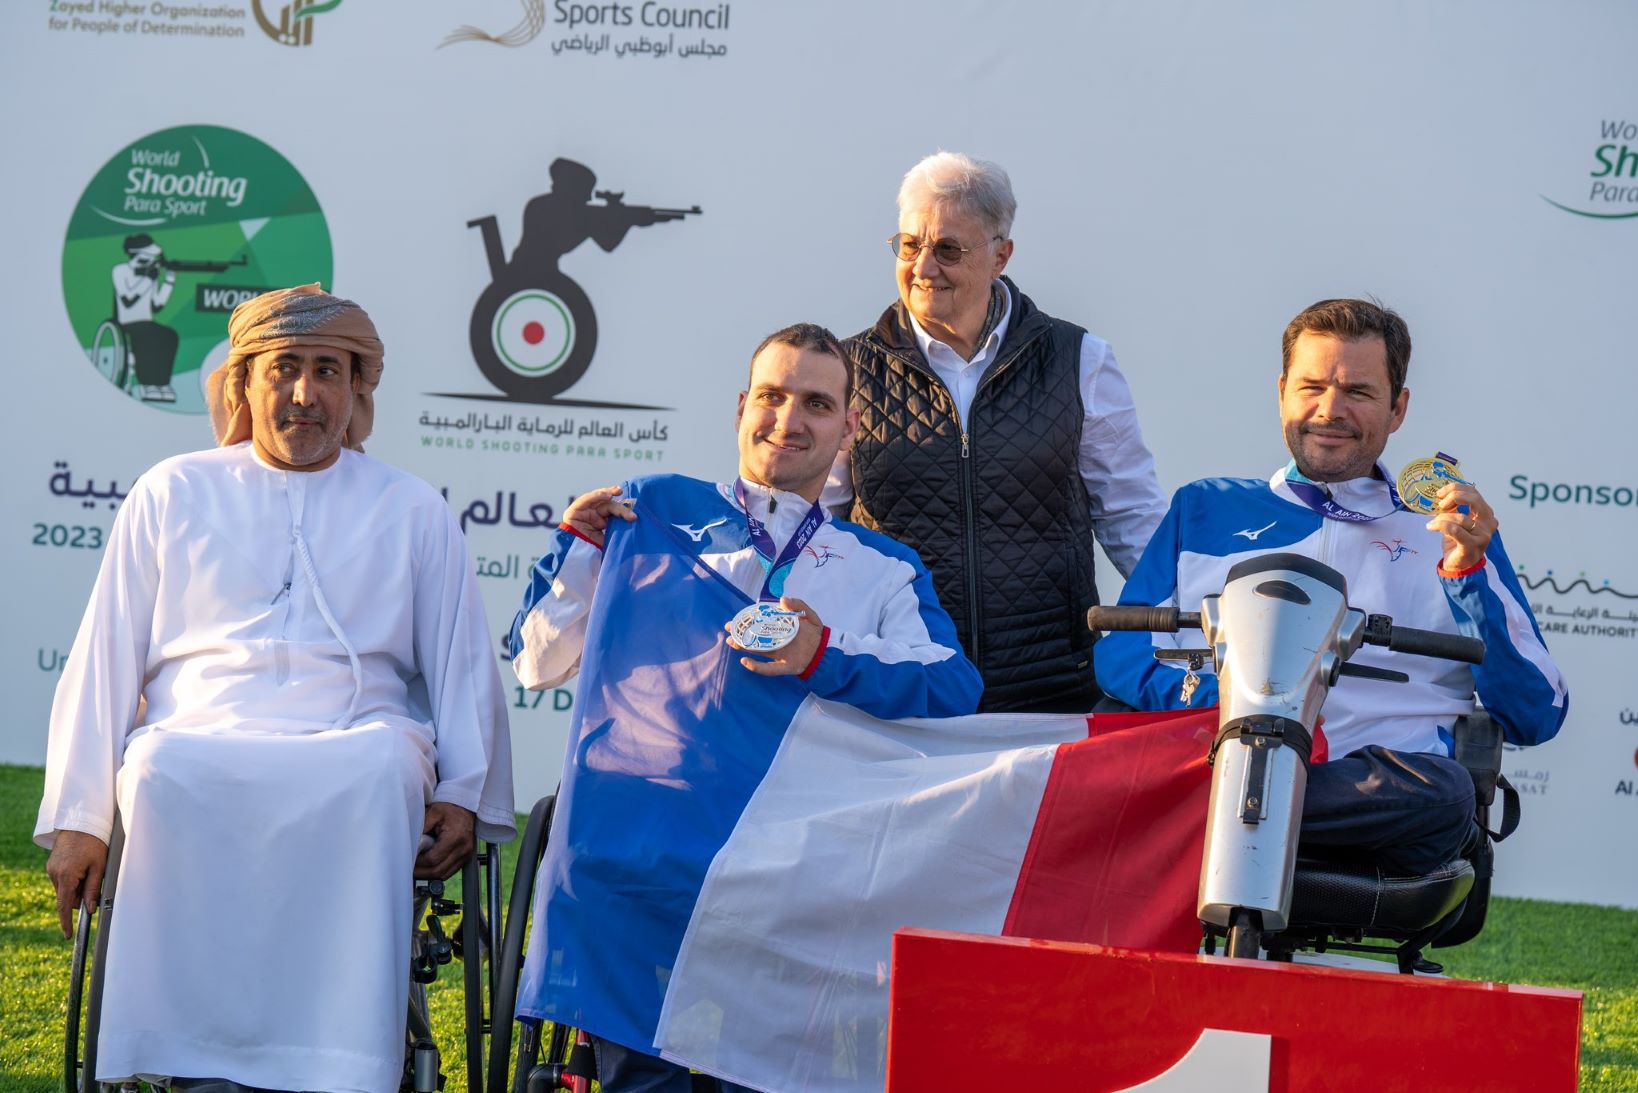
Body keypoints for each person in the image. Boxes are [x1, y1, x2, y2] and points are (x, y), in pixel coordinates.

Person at [38, 284, 516, 1093]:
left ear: (356, 391)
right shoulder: (173, 490)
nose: (304, 393)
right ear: (244, 386)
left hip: (358, 736)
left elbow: (464, 664)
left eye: (328, 370)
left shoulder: (411, 509)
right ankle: (176, 1054)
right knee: (153, 770)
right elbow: (104, 656)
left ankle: (344, 1060)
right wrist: (83, 820)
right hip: (198, 735)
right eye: (283, 369)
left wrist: (465, 790)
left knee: (378, 772)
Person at [509, 322, 982, 1092]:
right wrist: (577, 552)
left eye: (817, 404)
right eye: (772, 396)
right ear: (740, 407)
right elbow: (536, 660)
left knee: (760, 1081)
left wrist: (822, 652)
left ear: (849, 428)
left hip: (791, 865)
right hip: (644, 853)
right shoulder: (652, 511)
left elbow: (952, 685)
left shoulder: (882, 566)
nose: (788, 421)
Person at [1095, 298, 1567, 873]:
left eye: (1358, 393)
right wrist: (1232, 707)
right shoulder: (1205, 509)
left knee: (1445, 793)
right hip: (1223, 757)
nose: (1329, 410)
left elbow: (1536, 713)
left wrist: (1468, 578)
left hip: (1371, 798)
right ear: (1281, 393)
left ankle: (1238, 810)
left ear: (1398, 409)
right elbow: (1121, 654)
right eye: (1311, 386)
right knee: (1133, 765)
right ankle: (1241, 798)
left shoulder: (1451, 536)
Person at [830, 151, 1168, 713]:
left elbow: (1131, 516)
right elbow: (812, 524)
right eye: (909, 245)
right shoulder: (848, 369)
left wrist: (1205, 618)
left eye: (948, 249)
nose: (923, 267)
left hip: (1052, 691)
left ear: (1000, 255)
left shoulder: (1079, 358)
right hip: (903, 687)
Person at [111, 233, 182, 402]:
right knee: (147, 337)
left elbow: (157, 305)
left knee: (169, 335)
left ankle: (161, 384)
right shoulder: (120, 271)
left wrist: (169, 281)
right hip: (126, 323)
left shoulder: (151, 274)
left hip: (147, 322)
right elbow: (127, 300)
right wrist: (147, 280)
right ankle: (147, 384)